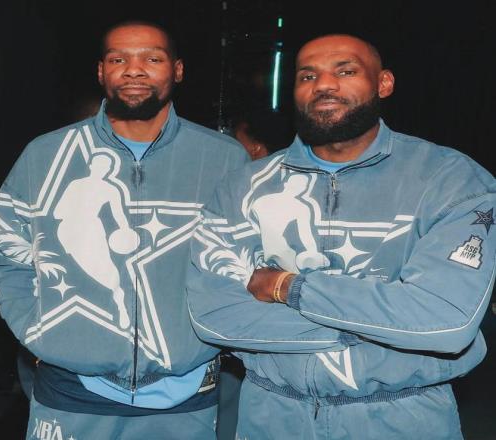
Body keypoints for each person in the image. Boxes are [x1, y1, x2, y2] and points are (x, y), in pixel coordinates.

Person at [186, 34, 496, 439]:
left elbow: (445, 321)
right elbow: (214, 316)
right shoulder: (243, 186)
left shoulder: (449, 179)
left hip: (404, 416)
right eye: (307, 76)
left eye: (345, 71)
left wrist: (287, 288)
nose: (324, 85)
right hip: (273, 415)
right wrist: (380, 327)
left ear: (383, 83)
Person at [0, 20, 248, 439]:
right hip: (71, 390)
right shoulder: (46, 155)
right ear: (101, 71)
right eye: (118, 59)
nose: (134, 70)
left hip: (187, 395)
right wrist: (39, 331)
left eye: (152, 58)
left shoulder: (224, 158)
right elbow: (7, 252)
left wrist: (207, 342)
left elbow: (244, 264)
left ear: (178, 70)